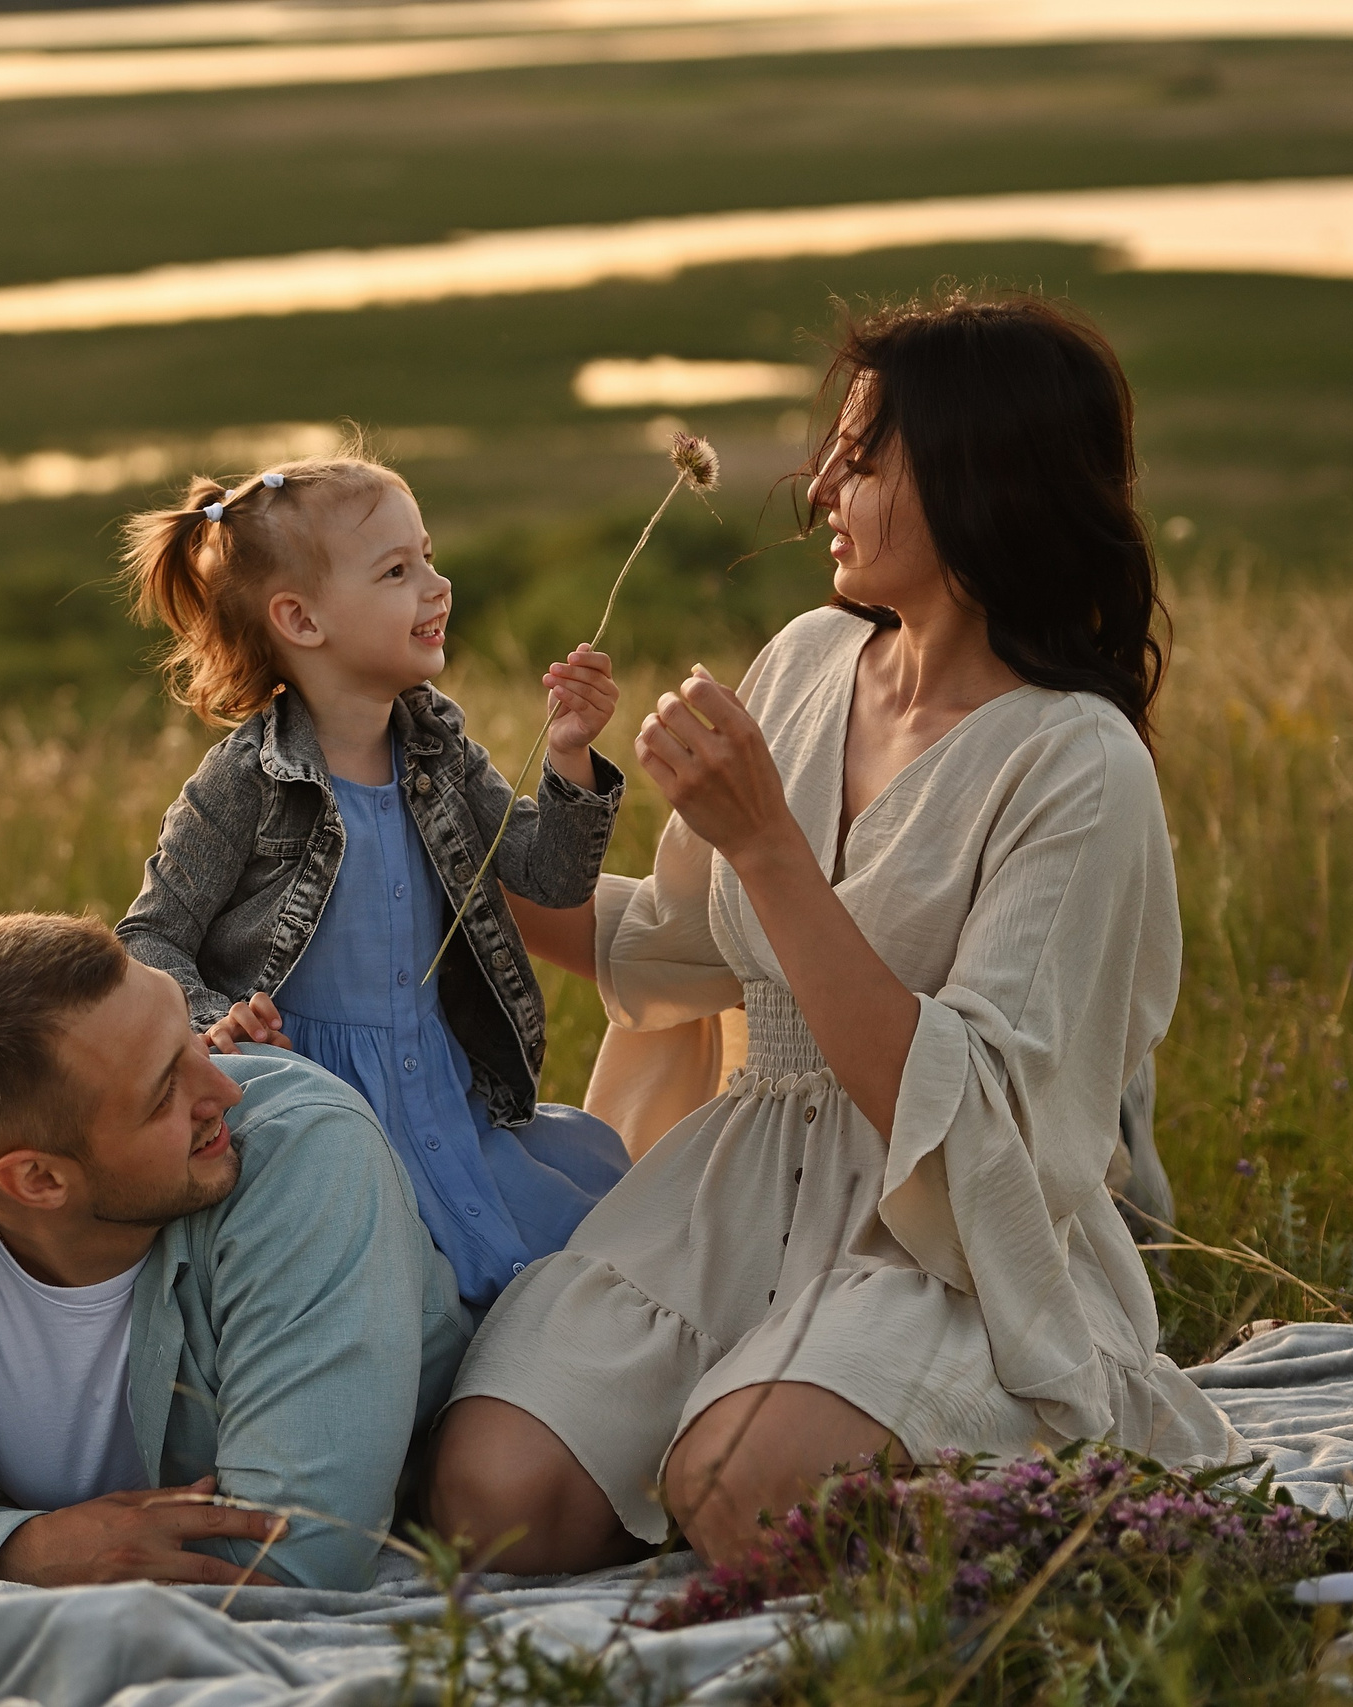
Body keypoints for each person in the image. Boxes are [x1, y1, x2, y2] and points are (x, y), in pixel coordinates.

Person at [428, 291, 1238, 1573]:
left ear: (979, 475)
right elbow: (690, 948)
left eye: (862, 456)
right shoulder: (808, 658)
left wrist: (766, 844)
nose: (818, 487)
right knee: (488, 1509)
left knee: (737, 1486)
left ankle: (1044, 1499)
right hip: (736, 1191)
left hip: (943, 1245)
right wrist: (440, 826)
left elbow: (978, 1124)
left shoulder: (1075, 766)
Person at [0, 912, 471, 1592]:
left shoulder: (307, 1161)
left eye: (191, 1036)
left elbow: (293, 1560)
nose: (223, 1087)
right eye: (161, 1096)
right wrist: (28, 1550)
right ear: (39, 1178)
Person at [115, 452, 633, 1311]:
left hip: (440, 1093)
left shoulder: (441, 751)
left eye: (428, 556)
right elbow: (147, 938)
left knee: (544, 1267)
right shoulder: (242, 782)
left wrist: (571, 756)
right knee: (377, 1296)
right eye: (398, 570)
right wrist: (215, 1018)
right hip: (308, 1111)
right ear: (301, 619)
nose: (437, 585)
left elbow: (551, 876)